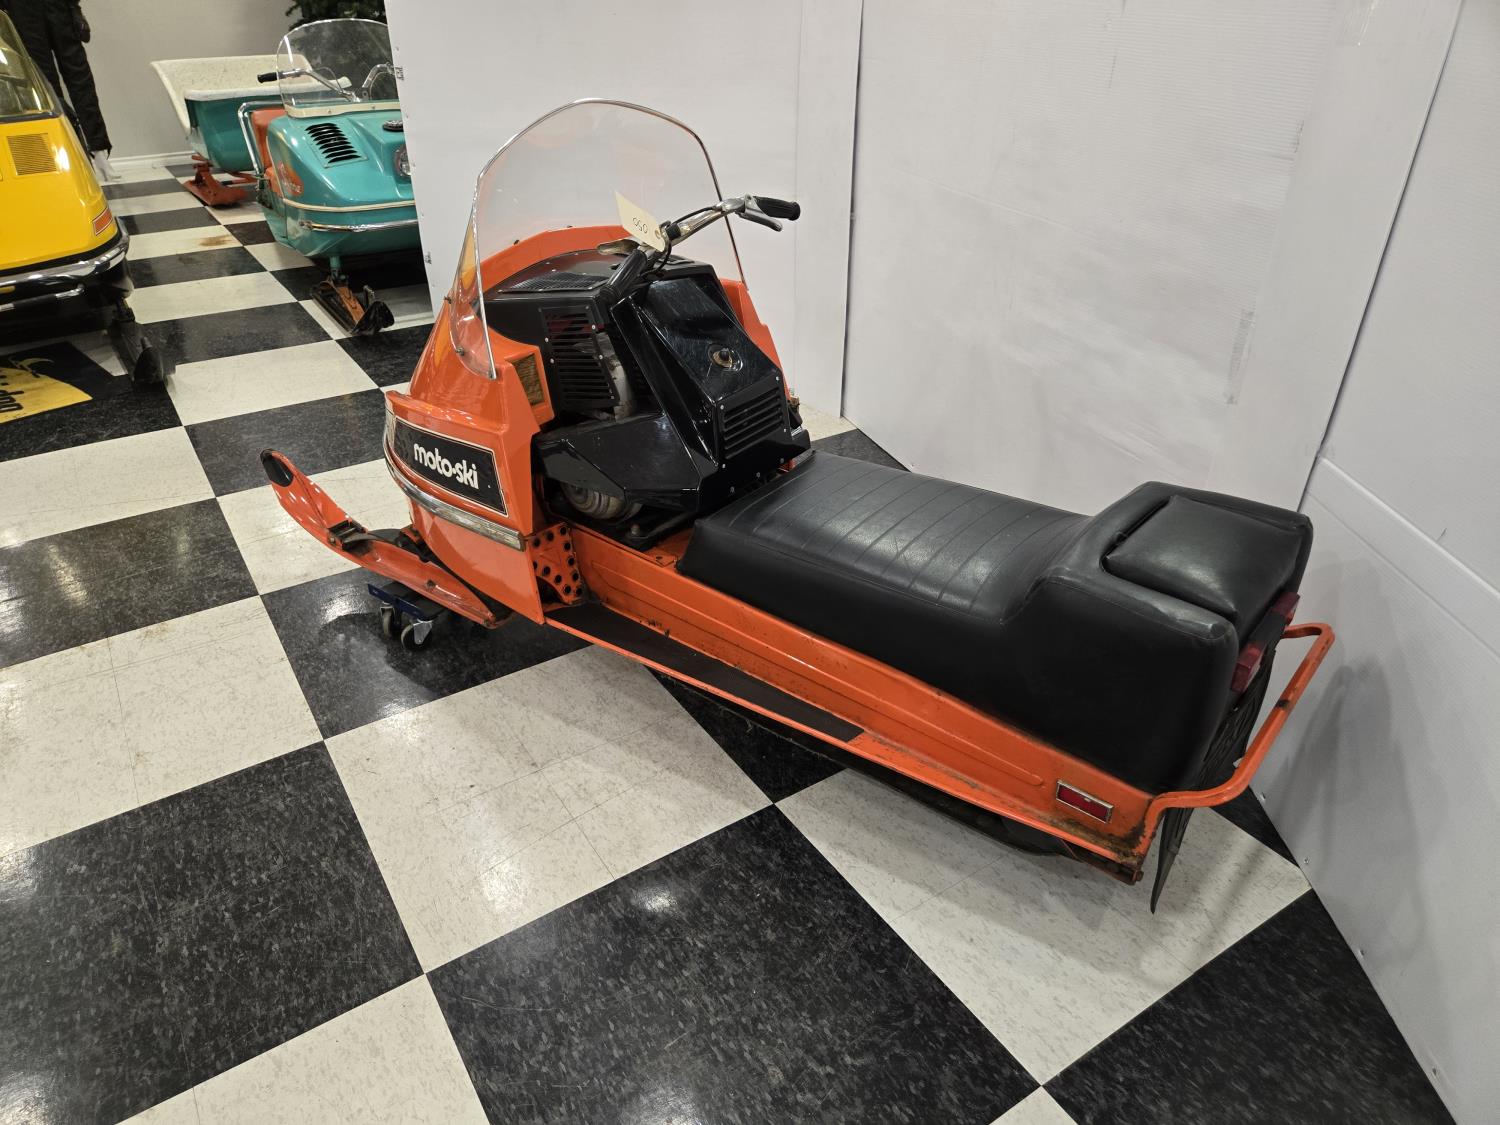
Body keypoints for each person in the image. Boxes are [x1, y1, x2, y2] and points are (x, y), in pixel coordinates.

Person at [2, 0, 113, 166]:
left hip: (55, 7)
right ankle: (71, 151)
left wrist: (74, 7)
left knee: (78, 78)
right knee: (47, 87)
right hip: (22, 10)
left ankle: (98, 149)